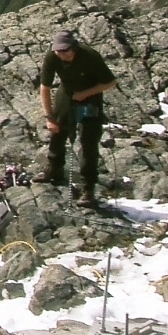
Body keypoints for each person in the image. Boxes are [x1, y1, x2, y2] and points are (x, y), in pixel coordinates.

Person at [39, 27, 116, 203]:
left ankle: (88, 188)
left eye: (64, 51)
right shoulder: (52, 57)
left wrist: (86, 94)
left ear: (73, 47)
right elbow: (45, 87)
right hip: (66, 94)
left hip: (90, 97)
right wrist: (49, 117)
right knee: (57, 132)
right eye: (58, 51)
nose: (61, 55)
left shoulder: (90, 56)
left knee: (88, 142)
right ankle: (54, 169)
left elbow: (110, 82)